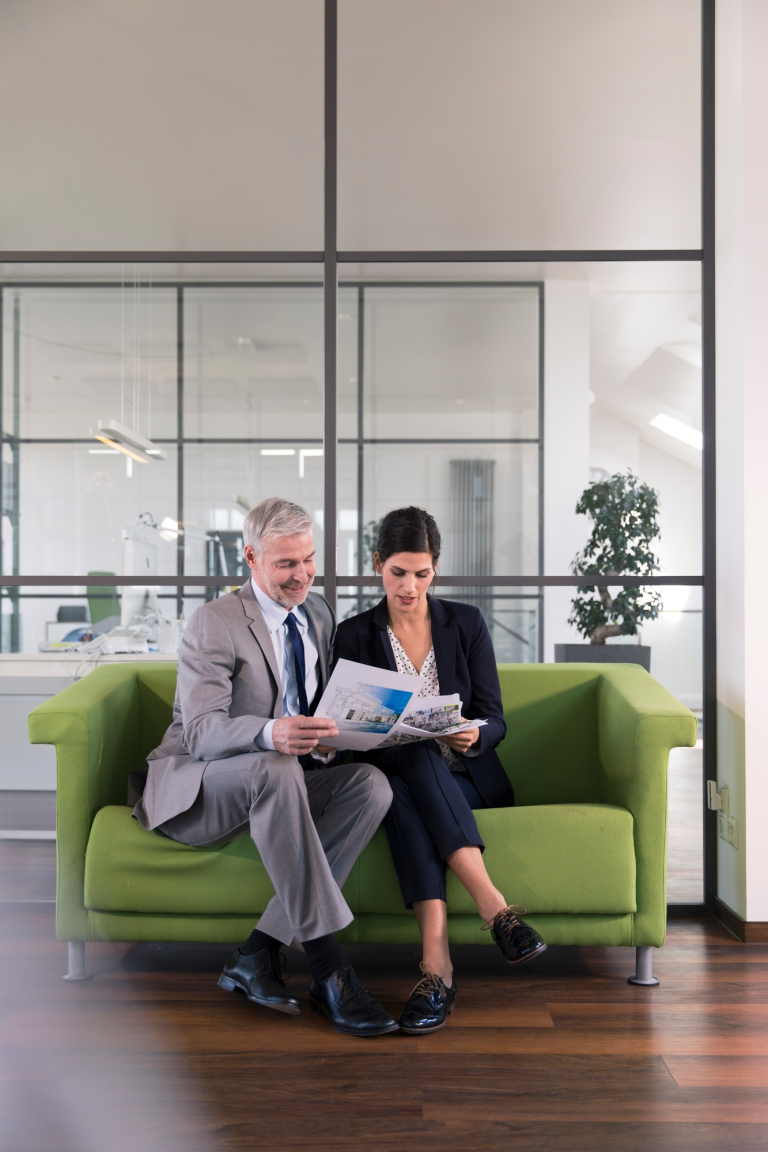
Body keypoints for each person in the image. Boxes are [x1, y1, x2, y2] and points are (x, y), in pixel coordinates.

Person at [133, 497, 398, 1038]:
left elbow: (314, 702)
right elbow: (202, 731)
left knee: (370, 786)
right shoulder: (215, 623)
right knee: (275, 766)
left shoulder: (318, 611)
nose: (301, 575)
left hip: (280, 776)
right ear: (250, 558)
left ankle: (259, 951)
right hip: (199, 785)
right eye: (285, 564)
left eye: (307, 560)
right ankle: (329, 969)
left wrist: (341, 732)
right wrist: (270, 732)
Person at [333, 506, 546, 1035]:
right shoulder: (353, 634)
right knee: (409, 757)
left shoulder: (465, 624)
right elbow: (343, 728)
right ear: (377, 564)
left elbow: (495, 718)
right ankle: (496, 911)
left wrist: (475, 733)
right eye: (398, 572)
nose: (409, 586)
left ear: (436, 570)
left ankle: (438, 971)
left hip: (469, 784)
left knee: (417, 763)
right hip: (393, 774)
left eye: (422, 573)